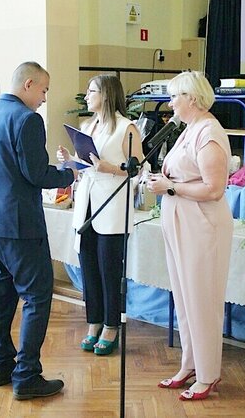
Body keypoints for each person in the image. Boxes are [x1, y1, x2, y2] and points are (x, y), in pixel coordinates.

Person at [0, 61, 77, 400]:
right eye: (44, 90)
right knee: (36, 296)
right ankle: (27, 375)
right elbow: (37, 174)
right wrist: (69, 174)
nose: (44, 98)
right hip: (20, 225)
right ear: (28, 84)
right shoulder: (28, 120)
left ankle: (1, 366)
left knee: (1, 297)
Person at [146, 71, 233, 401]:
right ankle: (190, 365)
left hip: (203, 225)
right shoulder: (189, 129)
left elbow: (213, 189)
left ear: (192, 99)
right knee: (185, 299)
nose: (170, 103)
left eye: (174, 97)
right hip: (182, 220)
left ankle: (208, 375)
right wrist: (163, 182)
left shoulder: (209, 133)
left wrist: (169, 187)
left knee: (202, 300)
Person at [56, 75, 144, 355]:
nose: (86, 95)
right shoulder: (87, 126)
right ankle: (93, 322)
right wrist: (69, 160)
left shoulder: (126, 127)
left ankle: (111, 326)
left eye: (91, 91)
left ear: (106, 94)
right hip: (87, 204)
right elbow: (86, 165)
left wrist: (112, 168)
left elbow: (139, 168)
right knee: (89, 267)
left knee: (109, 269)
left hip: (112, 205)